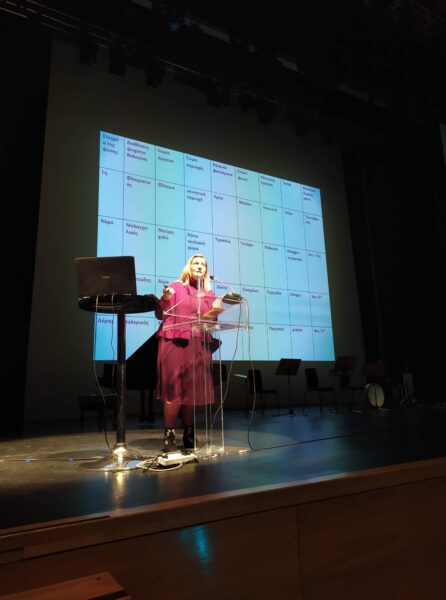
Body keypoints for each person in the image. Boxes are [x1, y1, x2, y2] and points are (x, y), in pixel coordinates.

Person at [155, 254, 216, 453]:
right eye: (195, 263)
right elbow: (160, 314)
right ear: (188, 267)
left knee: (191, 391)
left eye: (203, 265)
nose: (199, 266)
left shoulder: (209, 294)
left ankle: (189, 432)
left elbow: (211, 322)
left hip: (197, 344)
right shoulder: (175, 287)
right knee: (173, 391)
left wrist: (214, 315)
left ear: (206, 270)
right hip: (174, 342)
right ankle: (169, 434)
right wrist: (165, 299)